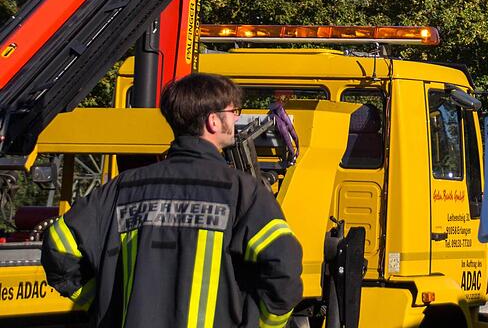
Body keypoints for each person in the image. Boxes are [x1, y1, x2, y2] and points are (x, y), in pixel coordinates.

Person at [41, 73, 303, 328]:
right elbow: (283, 270)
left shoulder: (122, 187)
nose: (236, 119)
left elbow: (59, 246)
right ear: (213, 121)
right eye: (234, 112)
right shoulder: (243, 191)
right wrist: (262, 322)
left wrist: (102, 300)